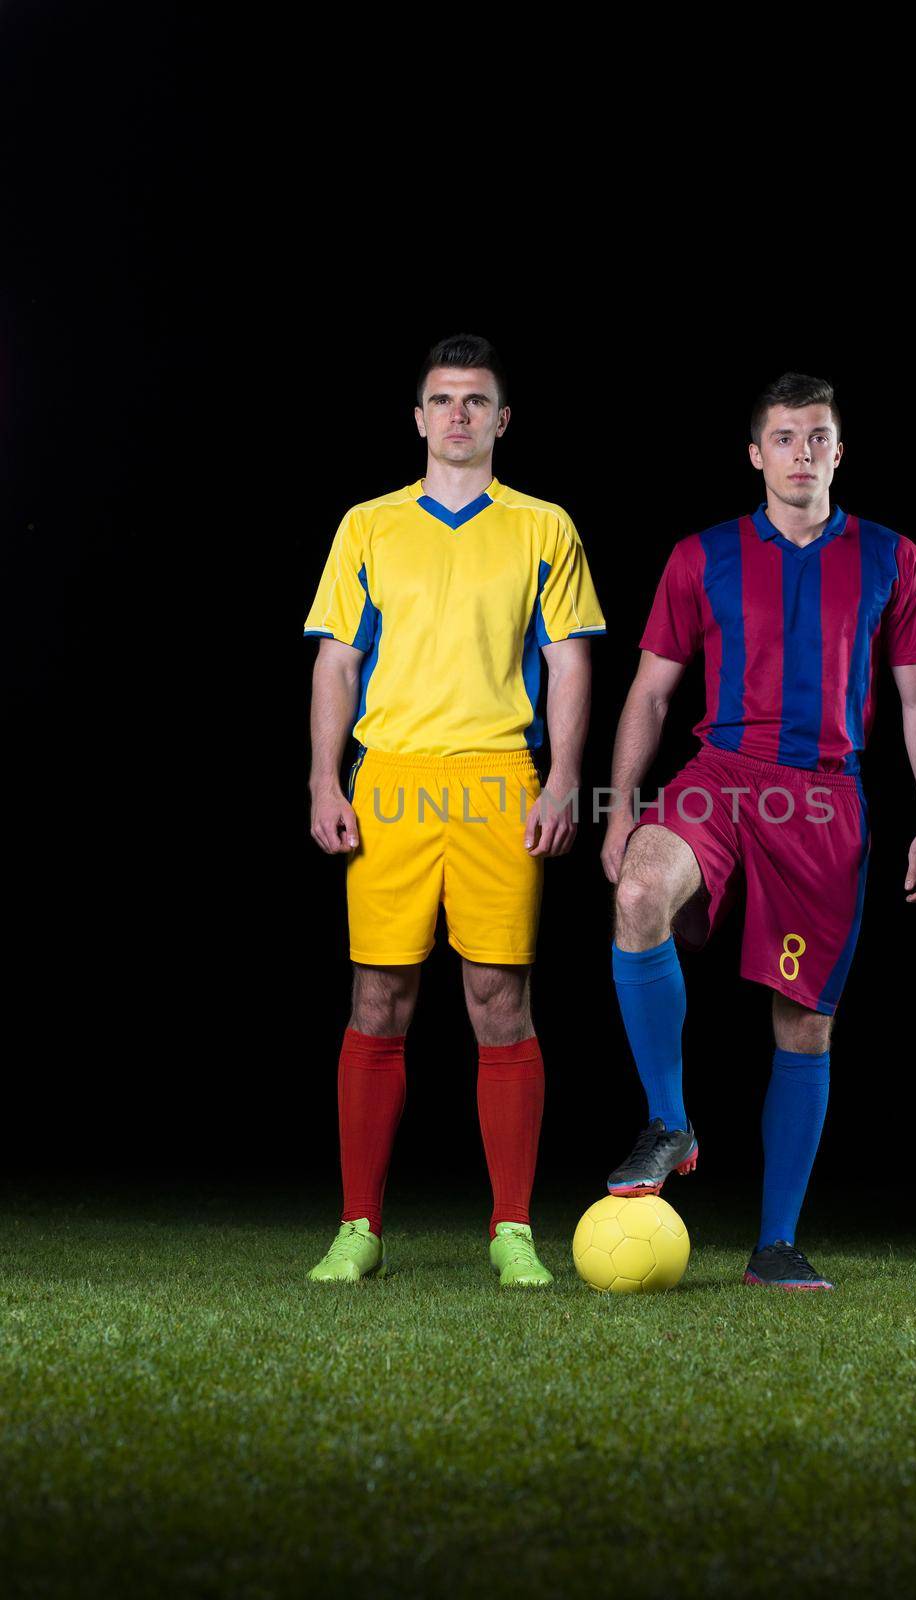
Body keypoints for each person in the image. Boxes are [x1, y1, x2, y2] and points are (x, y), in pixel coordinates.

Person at [600, 372, 916, 1291]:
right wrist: (623, 801)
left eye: (818, 437)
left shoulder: (891, 557)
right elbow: (650, 689)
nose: (803, 453)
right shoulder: (700, 555)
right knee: (638, 891)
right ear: (756, 454)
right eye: (785, 438)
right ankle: (669, 1121)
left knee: (803, 1023)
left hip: (825, 799)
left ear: (840, 450)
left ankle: (775, 1245)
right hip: (721, 775)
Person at [302, 333, 605, 1286]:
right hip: (389, 774)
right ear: (421, 417)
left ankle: (511, 1228)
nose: (460, 414)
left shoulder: (544, 526)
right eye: (443, 399)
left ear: (502, 419)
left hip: (497, 775)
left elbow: (571, 660)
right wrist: (323, 779)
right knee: (378, 997)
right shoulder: (368, 525)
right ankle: (359, 1227)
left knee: (498, 999)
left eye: (477, 400)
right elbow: (338, 661)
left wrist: (563, 780)